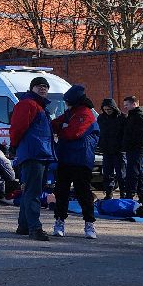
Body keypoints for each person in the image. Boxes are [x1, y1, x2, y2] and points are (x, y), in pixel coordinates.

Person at [50, 85, 100, 239]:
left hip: (80, 159)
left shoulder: (85, 114)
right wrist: (63, 127)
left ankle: (89, 223)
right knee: (61, 192)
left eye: (67, 101)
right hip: (65, 158)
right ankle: (59, 221)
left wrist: (63, 129)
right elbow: (54, 124)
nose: (65, 104)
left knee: (83, 192)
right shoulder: (70, 113)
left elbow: (74, 133)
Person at [9, 75, 55, 240]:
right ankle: (35, 228)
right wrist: (14, 146)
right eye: (39, 86)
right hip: (33, 154)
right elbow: (17, 127)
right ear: (31, 88)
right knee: (33, 193)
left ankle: (23, 225)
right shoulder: (28, 104)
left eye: (45, 87)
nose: (43, 88)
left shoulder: (40, 106)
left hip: (40, 154)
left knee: (31, 191)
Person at [121, 94, 143, 213]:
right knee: (138, 171)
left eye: (127, 105)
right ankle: (141, 196)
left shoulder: (140, 116)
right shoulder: (132, 115)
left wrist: (129, 143)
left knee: (133, 171)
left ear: (134, 104)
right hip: (132, 148)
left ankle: (131, 195)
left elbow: (138, 135)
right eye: (124, 105)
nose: (125, 108)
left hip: (137, 149)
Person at [97, 98, 125, 201]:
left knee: (121, 174)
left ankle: (124, 194)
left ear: (114, 108)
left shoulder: (121, 118)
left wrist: (123, 147)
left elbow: (125, 134)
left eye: (109, 109)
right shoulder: (101, 118)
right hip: (106, 150)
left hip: (119, 151)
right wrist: (100, 145)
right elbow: (100, 133)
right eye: (105, 109)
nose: (107, 111)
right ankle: (109, 194)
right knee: (107, 174)